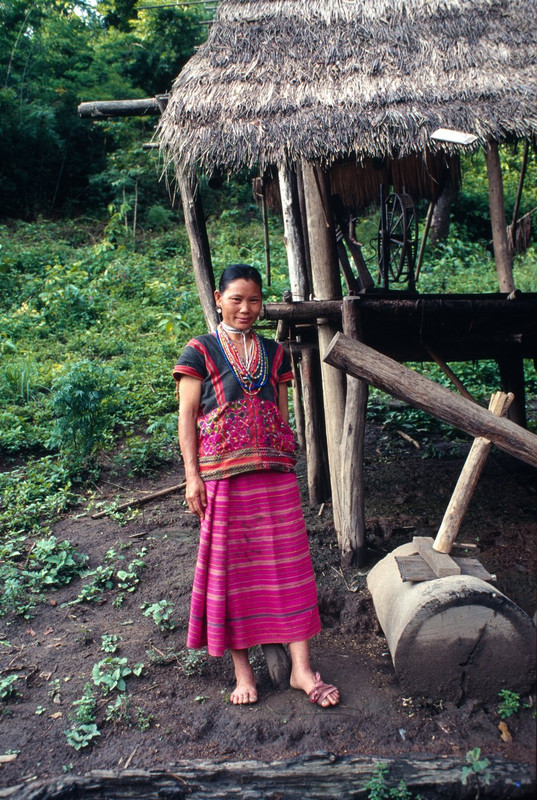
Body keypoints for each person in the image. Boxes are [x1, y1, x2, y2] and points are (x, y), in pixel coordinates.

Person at [173, 264, 339, 708]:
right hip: (223, 478)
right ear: (218, 298)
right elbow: (187, 418)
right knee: (233, 573)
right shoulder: (199, 351)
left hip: (274, 477)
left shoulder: (274, 352)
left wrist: (283, 457)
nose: (246, 309)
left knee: (289, 567)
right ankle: (243, 672)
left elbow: (281, 416)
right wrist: (192, 477)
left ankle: (301, 669)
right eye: (236, 299)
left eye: (254, 300)